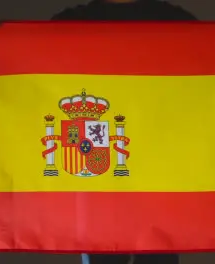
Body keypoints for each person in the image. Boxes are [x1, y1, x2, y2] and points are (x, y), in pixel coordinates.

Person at [51, 1, 197, 263]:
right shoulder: (71, 22)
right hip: (99, 160)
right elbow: (14, 48)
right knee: (102, 255)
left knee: (158, 256)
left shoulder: (175, 20)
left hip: (158, 156)